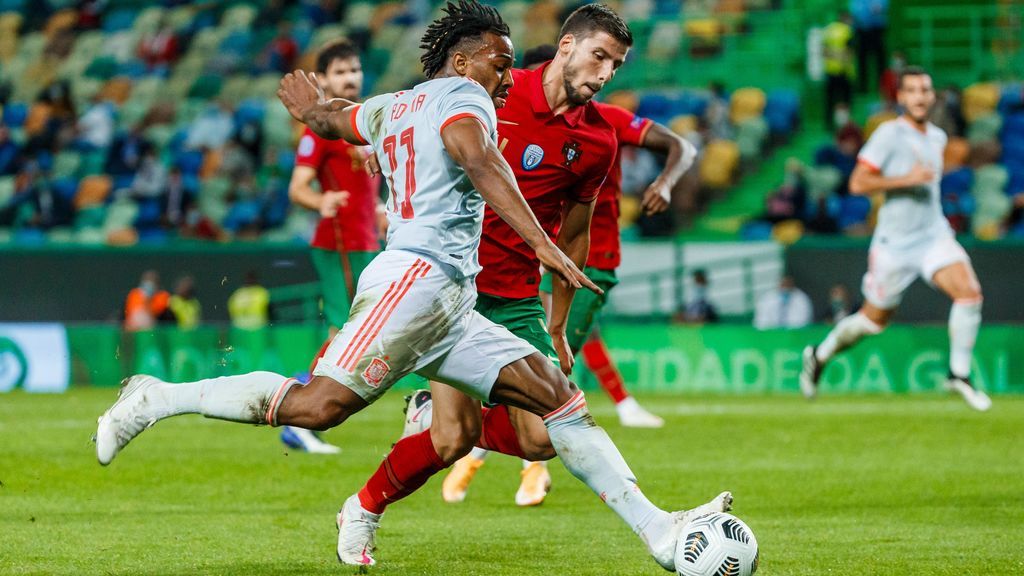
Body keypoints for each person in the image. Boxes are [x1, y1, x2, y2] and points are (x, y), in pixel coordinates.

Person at [94, 2, 731, 572]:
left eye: (511, 67)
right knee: (320, 407)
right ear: (461, 61)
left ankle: (663, 534)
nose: (508, 77)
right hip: (414, 281)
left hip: (457, 299)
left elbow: (339, 119)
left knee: (559, 402)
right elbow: (476, 157)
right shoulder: (467, 98)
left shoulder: (396, 104)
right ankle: (158, 398)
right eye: (499, 64)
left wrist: (312, 107)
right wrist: (540, 243)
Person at [438, 40, 696, 506]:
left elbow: (680, 146)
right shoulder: (500, 104)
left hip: (590, 262)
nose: (605, 74)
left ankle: (482, 448)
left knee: (545, 377)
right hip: (534, 259)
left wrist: (664, 181)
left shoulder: (607, 124)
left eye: (614, 65)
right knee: (540, 380)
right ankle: (481, 446)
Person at [800, 66, 991, 411]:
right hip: (894, 245)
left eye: (925, 90)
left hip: (933, 236)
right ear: (901, 98)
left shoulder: (937, 137)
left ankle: (958, 374)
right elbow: (858, 183)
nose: (920, 97)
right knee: (872, 323)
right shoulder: (889, 134)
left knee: (969, 293)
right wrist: (904, 179)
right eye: (913, 91)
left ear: (932, 97)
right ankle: (820, 354)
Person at [285, 39, 382, 454]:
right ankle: (298, 415)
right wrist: (321, 201)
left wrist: (379, 208)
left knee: (356, 328)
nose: (351, 77)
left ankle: (305, 410)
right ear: (322, 80)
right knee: (345, 328)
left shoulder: (365, 120)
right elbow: (298, 188)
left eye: (355, 69)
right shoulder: (322, 127)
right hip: (339, 240)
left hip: (365, 238)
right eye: (340, 72)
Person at [822, 11, 855, 129]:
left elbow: (824, 52)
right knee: (846, 100)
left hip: (830, 71)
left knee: (830, 100)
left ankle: (829, 124)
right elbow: (849, 52)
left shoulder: (828, 30)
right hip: (844, 71)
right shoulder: (847, 31)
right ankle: (845, 125)